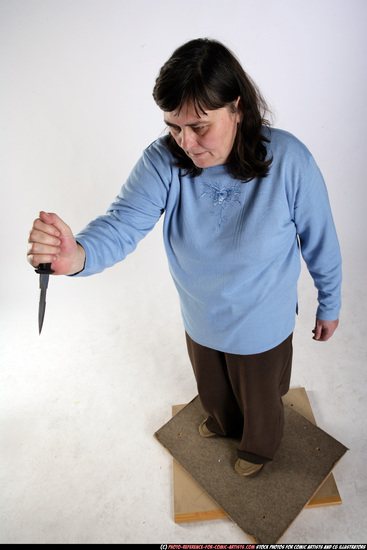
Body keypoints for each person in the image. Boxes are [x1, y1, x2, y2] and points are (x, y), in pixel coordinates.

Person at [27, 38, 342, 477]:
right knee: (213, 388)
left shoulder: (290, 160)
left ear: (236, 108)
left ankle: (259, 447)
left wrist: (330, 302)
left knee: (260, 397)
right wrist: (76, 254)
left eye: (198, 126)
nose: (186, 142)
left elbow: (321, 239)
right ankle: (225, 421)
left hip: (260, 320)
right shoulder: (164, 160)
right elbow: (122, 223)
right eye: (173, 126)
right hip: (200, 313)